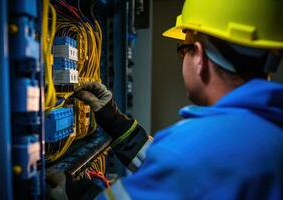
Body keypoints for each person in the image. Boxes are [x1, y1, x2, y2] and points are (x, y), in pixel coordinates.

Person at [47, 0, 283, 199]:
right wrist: (116, 123)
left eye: (183, 48)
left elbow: (183, 164)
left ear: (199, 55)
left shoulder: (193, 149)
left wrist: (77, 193)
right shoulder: (268, 130)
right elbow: (177, 173)